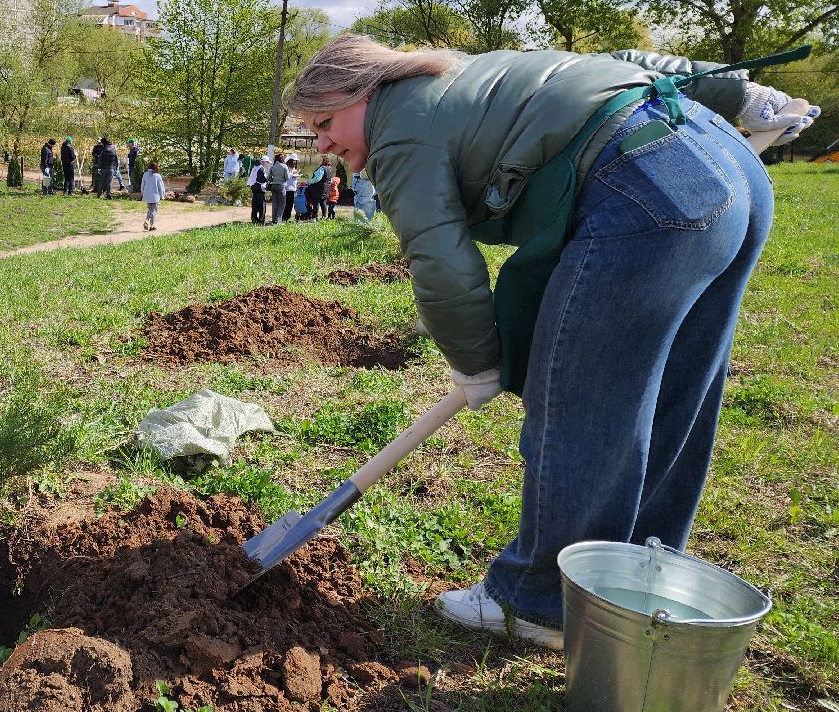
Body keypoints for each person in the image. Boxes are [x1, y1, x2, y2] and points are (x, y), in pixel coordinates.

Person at [288, 33, 817, 649]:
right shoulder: (471, 75)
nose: (321, 145)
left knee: (579, 399)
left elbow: (442, 264)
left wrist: (476, 363)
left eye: (325, 123)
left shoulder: (398, 127)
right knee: (679, 389)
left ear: (368, 91)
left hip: (647, 190)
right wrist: (735, 91)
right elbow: (628, 64)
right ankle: (634, 577)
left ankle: (539, 601)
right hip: (730, 169)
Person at [140, 160, 166, 231]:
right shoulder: (157, 176)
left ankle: (146, 220)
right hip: (155, 196)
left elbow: (142, 184)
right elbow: (160, 186)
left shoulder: (145, 174)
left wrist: (142, 192)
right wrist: (162, 195)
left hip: (147, 196)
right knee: (154, 211)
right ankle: (151, 226)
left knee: (150, 210)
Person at [267, 154, 289, 225]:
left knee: (275, 204)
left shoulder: (272, 167)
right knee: (282, 204)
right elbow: (287, 177)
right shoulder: (284, 166)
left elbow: (269, 178)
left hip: (273, 186)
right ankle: (278, 220)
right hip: (281, 186)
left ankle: (273, 219)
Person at [248, 156, 269, 224]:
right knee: (261, 205)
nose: (268, 164)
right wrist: (267, 180)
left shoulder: (254, 167)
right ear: (263, 162)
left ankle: (254, 219)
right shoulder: (261, 168)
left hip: (253, 187)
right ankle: (261, 220)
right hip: (259, 188)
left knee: (254, 205)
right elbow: (261, 179)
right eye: (267, 162)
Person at [283, 156, 300, 222]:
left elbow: (295, 176)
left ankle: (288, 217)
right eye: (294, 161)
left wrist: (297, 174)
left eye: (296, 161)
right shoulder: (287, 167)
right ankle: (284, 217)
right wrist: (293, 174)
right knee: (287, 204)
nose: (295, 162)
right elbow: (288, 176)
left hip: (293, 188)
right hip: (287, 188)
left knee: (290, 204)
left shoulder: (293, 167)